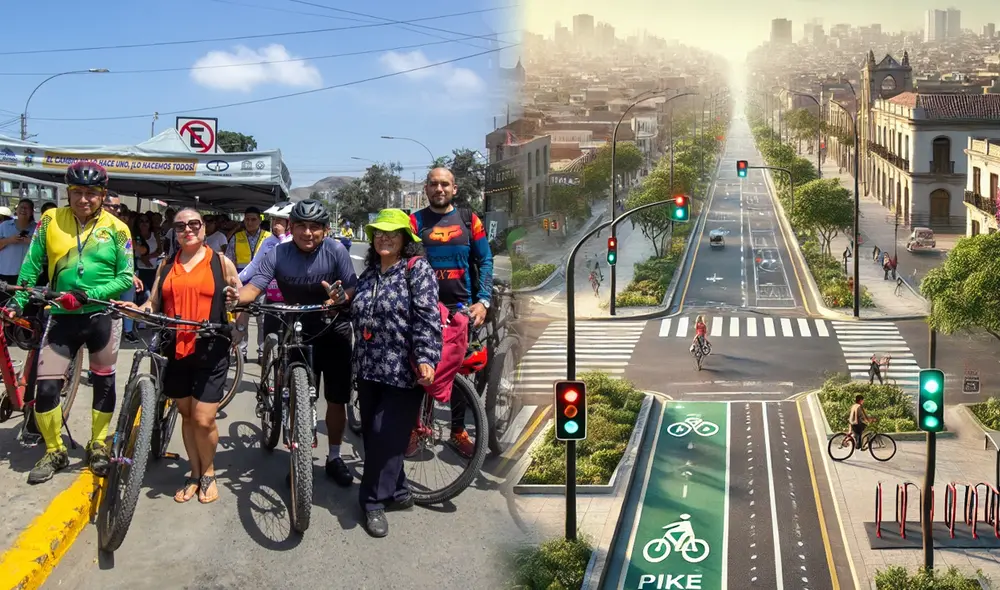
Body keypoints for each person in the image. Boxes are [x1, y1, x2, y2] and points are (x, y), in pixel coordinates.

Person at [6, 161, 134, 484]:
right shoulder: (50, 221)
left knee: (104, 383)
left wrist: (88, 294)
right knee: (46, 387)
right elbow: (31, 266)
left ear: (103, 195)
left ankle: (98, 445)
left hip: (101, 316)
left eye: (91, 193)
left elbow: (125, 278)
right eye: (77, 192)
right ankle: (55, 450)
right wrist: (17, 301)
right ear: (68, 193)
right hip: (61, 316)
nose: (84, 199)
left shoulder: (119, 230)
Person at [115, 208, 240, 504]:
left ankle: (208, 471)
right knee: (185, 414)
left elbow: (240, 296)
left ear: (203, 228)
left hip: (211, 347)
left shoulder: (220, 263)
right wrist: (136, 310)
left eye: (194, 224)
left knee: (203, 417)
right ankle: (194, 473)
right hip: (175, 347)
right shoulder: (166, 265)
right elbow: (153, 303)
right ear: (174, 230)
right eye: (181, 225)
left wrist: (239, 326)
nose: (188, 229)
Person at [237, 199, 357, 486]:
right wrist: (237, 299)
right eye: (301, 226)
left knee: (336, 400)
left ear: (326, 230)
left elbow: (352, 285)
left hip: (334, 328)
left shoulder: (336, 250)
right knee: (299, 400)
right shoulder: (278, 253)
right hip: (298, 329)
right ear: (291, 227)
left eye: (315, 227)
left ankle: (334, 457)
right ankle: (299, 456)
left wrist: (342, 297)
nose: (307, 232)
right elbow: (256, 285)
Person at [351, 208, 442, 537]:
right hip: (367, 366)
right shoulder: (370, 272)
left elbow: (428, 317)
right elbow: (358, 308)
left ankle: (372, 501)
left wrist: (427, 356)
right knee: (378, 435)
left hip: (402, 369)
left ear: (406, 239)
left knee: (382, 433)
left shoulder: (416, 270)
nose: (384, 238)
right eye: (378, 233)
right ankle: (400, 490)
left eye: (391, 233)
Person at [408, 167, 494, 458]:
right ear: (426, 189)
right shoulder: (414, 221)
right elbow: (403, 261)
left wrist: (483, 301)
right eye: (433, 184)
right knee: (419, 368)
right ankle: (416, 427)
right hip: (423, 309)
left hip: (461, 310)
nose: (439, 189)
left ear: (454, 189)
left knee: (458, 373)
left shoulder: (470, 220)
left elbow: (485, 261)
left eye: (445, 184)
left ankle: (457, 431)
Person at [227, 206, 272, 362]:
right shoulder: (236, 237)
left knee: (262, 320)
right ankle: (242, 351)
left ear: (260, 220)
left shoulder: (269, 238)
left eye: (253, 219)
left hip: (263, 284)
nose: (250, 222)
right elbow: (229, 261)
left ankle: (262, 352)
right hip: (242, 284)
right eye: (247, 219)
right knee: (241, 319)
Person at [103, 192, 145, 343]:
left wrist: (131, 274)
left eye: (119, 208)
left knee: (126, 305)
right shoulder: (94, 228)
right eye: (114, 207)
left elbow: (125, 256)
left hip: (123, 276)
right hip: (101, 281)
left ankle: (127, 331)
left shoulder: (122, 230)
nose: (118, 212)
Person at [0, 199, 36, 306]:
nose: (23, 210)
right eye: (21, 207)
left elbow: (46, 249)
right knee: (4, 306)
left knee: (26, 308)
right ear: (16, 210)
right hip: (6, 273)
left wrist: (30, 241)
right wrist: (9, 240)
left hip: (28, 275)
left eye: (27, 208)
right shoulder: (5, 226)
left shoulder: (37, 227)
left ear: (32, 212)